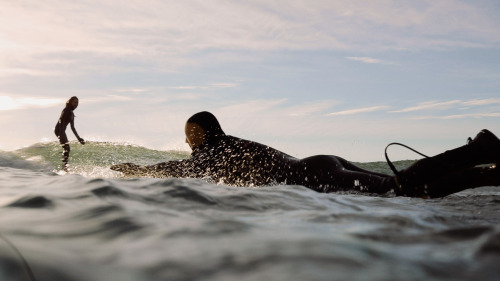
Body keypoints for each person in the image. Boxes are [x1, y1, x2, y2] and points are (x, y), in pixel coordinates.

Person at [111, 111, 500, 198]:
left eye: (188, 136)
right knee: (408, 190)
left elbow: (182, 167)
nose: (187, 143)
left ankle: (479, 151)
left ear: (198, 133)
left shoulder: (214, 149)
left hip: (317, 176)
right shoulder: (232, 144)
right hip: (318, 166)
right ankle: (488, 170)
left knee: (401, 188)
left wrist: (134, 169)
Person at [54, 96, 85, 171]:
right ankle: (64, 167)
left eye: (77, 103)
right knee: (66, 147)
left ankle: (65, 166)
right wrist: (61, 133)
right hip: (59, 130)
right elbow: (61, 121)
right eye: (75, 102)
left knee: (67, 148)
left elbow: (72, 127)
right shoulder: (66, 110)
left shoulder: (71, 113)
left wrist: (79, 138)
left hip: (62, 131)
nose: (76, 104)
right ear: (70, 102)